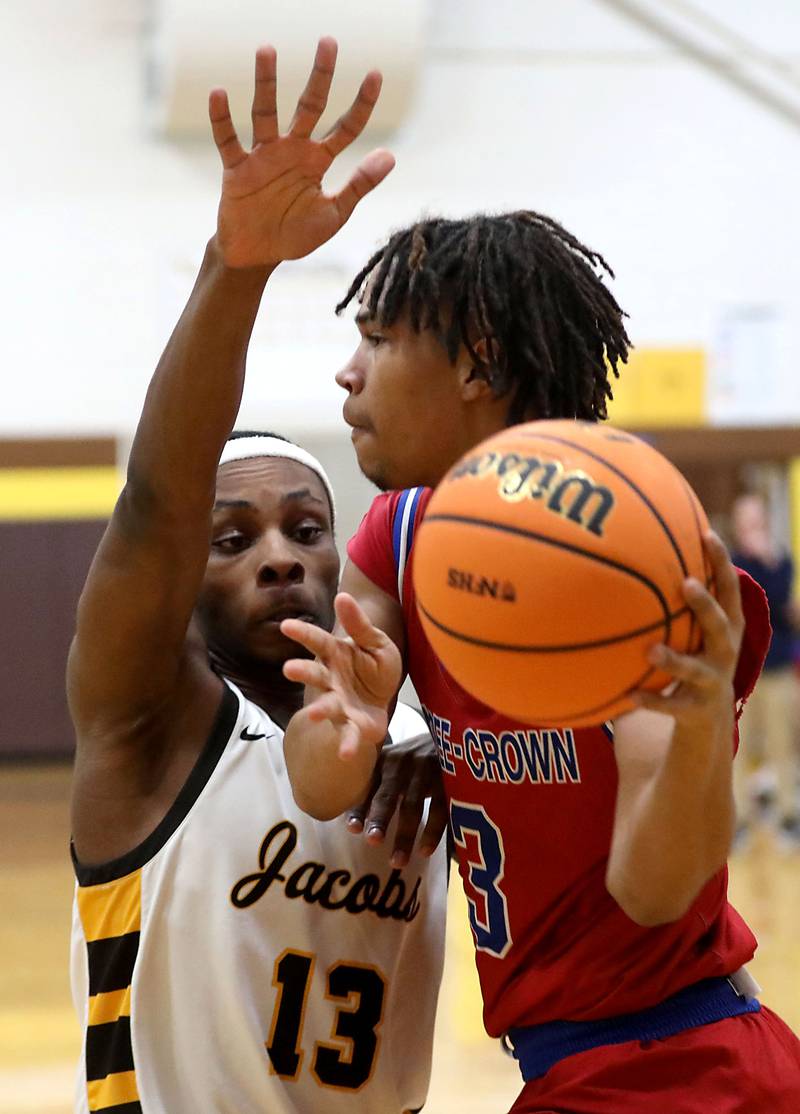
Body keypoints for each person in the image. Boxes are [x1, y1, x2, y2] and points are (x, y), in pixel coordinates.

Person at [279, 219, 800, 1105]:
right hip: (572, 1065)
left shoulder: (625, 554)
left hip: (680, 1062)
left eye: (375, 339)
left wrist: (703, 729)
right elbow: (323, 784)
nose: (347, 370)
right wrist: (361, 729)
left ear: (478, 367)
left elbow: (654, 892)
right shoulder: (398, 536)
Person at [67, 43, 447, 1114]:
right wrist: (237, 269)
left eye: (304, 528)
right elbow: (154, 506)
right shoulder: (151, 729)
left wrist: (450, 766)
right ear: (180, 586)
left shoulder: (413, 743)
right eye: (230, 539)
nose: (279, 552)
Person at [730, 491, 800, 849]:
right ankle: (739, 821)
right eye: (746, 522)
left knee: (782, 745)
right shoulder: (731, 564)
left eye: (757, 520)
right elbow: (745, 607)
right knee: (736, 750)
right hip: (741, 678)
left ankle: (789, 817)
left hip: (776, 670)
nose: (752, 528)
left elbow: (779, 604)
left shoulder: (781, 561)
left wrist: (768, 560)